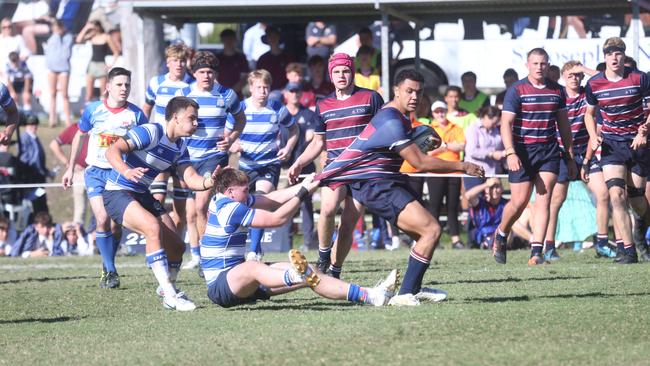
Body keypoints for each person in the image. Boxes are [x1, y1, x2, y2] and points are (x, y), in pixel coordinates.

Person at [316, 69, 484, 305]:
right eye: (409, 91)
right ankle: (405, 294)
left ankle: (411, 289)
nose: (415, 96)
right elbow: (419, 162)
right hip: (376, 184)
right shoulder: (392, 120)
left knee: (426, 234)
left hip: (385, 181)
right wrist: (462, 166)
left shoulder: (400, 118)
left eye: (419, 92)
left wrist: (421, 135)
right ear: (396, 91)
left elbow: (402, 151)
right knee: (431, 230)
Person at [201, 167, 398, 308]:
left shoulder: (228, 198)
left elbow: (273, 200)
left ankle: (372, 295)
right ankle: (292, 276)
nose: (249, 195)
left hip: (240, 279)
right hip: (221, 286)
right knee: (254, 267)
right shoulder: (229, 208)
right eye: (245, 191)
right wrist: (303, 193)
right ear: (230, 192)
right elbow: (277, 218)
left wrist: (305, 184)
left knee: (311, 273)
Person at [103, 96, 216, 311]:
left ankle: (167, 289)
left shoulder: (180, 147)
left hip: (141, 194)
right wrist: (126, 171)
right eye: (192, 118)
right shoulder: (151, 131)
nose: (195, 124)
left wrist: (210, 181)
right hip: (117, 191)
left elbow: (191, 178)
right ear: (175, 117)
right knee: (152, 228)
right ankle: (170, 295)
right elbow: (112, 151)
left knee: (177, 247)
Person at [288, 53, 384, 279]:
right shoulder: (323, 104)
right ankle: (323, 256)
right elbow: (318, 143)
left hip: (363, 169)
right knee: (328, 209)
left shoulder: (370, 98)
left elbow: (384, 130)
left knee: (349, 222)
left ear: (353, 72)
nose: (341, 75)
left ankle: (336, 270)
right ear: (331, 75)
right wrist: (299, 162)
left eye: (346, 70)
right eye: (337, 71)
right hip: (336, 167)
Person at [62, 67, 148, 289]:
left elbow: (144, 145)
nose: (124, 88)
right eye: (119, 84)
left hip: (120, 174)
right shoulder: (94, 110)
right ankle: (110, 271)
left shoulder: (136, 115)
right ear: (108, 87)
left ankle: (108, 262)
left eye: (127, 85)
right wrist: (70, 168)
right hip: (96, 172)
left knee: (116, 225)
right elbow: (79, 136)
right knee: (101, 219)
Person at [493, 47, 576, 266]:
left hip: (548, 151)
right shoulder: (517, 90)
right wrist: (510, 152)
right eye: (535, 63)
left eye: (543, 63)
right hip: (521, 151)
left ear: (548, 65)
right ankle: (501, 233)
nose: (539, 67)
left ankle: (536, 252)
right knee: (519, 202)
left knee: (544, 199)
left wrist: (569, 155)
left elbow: (564, 125)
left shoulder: (557, 91)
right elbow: (506, 124)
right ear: (527, 65)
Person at [177, 51, 246, 265]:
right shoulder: (184, 94)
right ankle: (197, 256)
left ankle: (209, 256)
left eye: (210, 72)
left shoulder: (226, 95)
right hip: (187, 158)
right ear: (194, 73)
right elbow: (173, 122)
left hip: (213, 157)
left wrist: (231, 137)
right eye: (202, 72)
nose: (206, 76)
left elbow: (240, 119)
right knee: (189, 214)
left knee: (201, 205)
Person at [584, 37, 650, 264]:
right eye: (610, 53)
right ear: (604, 57)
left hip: (637, 144)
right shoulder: (594, 84)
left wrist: (644, 132)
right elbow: (589, 115)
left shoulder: (640, 78)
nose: (614, 57)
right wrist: (593, 137)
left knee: (638, 201)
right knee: (616, 195)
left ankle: (641, 228)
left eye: (618, 53)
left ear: (623, 55)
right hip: (612, 145)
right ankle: (629, 251)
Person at [231, 70, 297, 261]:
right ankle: (241, 248)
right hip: (246, 165)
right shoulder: (240, 109)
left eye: (266, 87)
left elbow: (294, 129)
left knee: (260, 201)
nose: (262, 91)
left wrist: (289, 148)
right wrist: (233, 144)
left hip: (269, 165)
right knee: (241, 207)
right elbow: (227, 134)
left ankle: (254, 251)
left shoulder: (277, 108)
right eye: (259, 87)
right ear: (251, 88)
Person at [543, 60, 603, 261]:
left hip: (586, 151)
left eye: (578, 75)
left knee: (604, 194)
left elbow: (604, 79)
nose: (575, 79)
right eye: (570, 75)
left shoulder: (589, 93)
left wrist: (584, 69)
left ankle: (603, 243)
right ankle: (549, 245)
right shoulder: (558, 95)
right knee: (556, 200)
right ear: (563, 77)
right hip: (561, 152)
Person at [142, 44, 195, 266]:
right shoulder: (156, 83)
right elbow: (146, 109)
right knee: (157, 200)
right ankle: (157, 247)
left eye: (183, 60)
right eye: (175, 60)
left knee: (181, 209)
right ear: (168, 62)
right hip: (161, 148)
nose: (179, 64)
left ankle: (175, 249)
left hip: (181, 150)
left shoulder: (192, 85)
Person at [280, 82, 319, 250]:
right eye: (292, 91)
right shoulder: (280, 113)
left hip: (305, 166)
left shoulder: (308, 114)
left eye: (297, 91)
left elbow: (313, 137)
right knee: (284, 202)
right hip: (284, 166)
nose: (295, 94)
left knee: (305, 203)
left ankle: (308, 242)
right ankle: (285, 243)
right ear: (285, 93)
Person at [427, 100, 466, 249]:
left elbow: (462, 145)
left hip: (454, 170)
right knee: (434, 206)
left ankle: (455, 239)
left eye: (442, 111)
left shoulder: (456, 127)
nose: (440, 114)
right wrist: (449, 146)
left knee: (453, 206)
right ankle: (433, 239)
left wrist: (442, 146)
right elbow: (428, 151)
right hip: (435, 170)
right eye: (437, 112)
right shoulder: (430, 128)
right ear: (433, 114)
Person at [465, 178, 530, 249]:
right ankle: (533, 240)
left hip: (506, 235)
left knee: (527, 212)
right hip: (486, 237)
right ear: (486, 190)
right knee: (511, 223)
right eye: (492, 187)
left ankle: (536, 240)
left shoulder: (506, 203)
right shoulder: (480, 203)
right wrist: (486, 184)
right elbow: (468, 196)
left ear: (502, 189)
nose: (495, 190)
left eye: (497, 187)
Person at [49, 123, 89, 225]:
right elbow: (54, 144)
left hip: (98, 172)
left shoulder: (101, 124)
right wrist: (68, 164)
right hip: (80, 173)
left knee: (100, 210)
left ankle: (97, 237)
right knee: (80, 210)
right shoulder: (75, 128)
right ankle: (78, 236)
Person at [76, 20, 120, 103]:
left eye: (94, 27)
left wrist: (111, 65)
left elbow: (116, 52)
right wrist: (86, 28)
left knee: (103, 94)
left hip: (101, 65)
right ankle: (88, 113)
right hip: (92, 65)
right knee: (89, 94)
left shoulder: (106, 37)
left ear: (98, 27)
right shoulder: (92, 36)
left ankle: (104, 112)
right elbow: (78, 40)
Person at [463, 106, 505, 190]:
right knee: (475, 200)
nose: (495, 125)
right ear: (485, 117)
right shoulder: (473, 128)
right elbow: (471, 151)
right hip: (475, 173)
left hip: (493, 173)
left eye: (496, 122)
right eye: (493, 122)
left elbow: (500, 146)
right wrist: (491, 154)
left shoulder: (496, 130)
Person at [44, 19, 74, 127]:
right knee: (52, 94)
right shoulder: (52, 38)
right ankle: (52, 119)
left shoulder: (68, 37)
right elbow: (49, 53)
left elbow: (65, 53)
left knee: (65, 95)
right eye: (54, 28)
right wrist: (56, 36)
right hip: (52, 68)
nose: (56, 30)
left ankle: (67, 120)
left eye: (58, 28)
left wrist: (58, 36)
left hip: (63, 69)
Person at [18, 115, 50, 216]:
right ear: (27, 125)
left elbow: (39, 158)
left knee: (41, 204)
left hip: (39, 176)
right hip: (31, 177)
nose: (34, 127)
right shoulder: (24, 138)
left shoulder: (35, 138)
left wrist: (46, 172)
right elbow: (25, 158)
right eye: (31, 124)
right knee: (34, 204)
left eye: (35, 124)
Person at [256, 26, 294, 93]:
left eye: (275, 36)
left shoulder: (288, 58)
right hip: (266, 93)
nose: (273, 39)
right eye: (270, 37)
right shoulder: (262, 59)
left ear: (279, 38)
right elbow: (258, 79)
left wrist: (285, 90)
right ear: (267, 39)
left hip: (285, 93)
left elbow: (293, 77)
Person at [216, 29, 249, 97]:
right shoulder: (217, 58)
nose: (228, 41)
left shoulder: (241, 58)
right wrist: (222, 92)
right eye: (226, 39)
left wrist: (231, 92)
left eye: (231, 39)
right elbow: (214, 77)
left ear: (235, 40)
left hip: (237, 96)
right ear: (222, 40)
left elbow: (244, 78)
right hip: (219, 95)